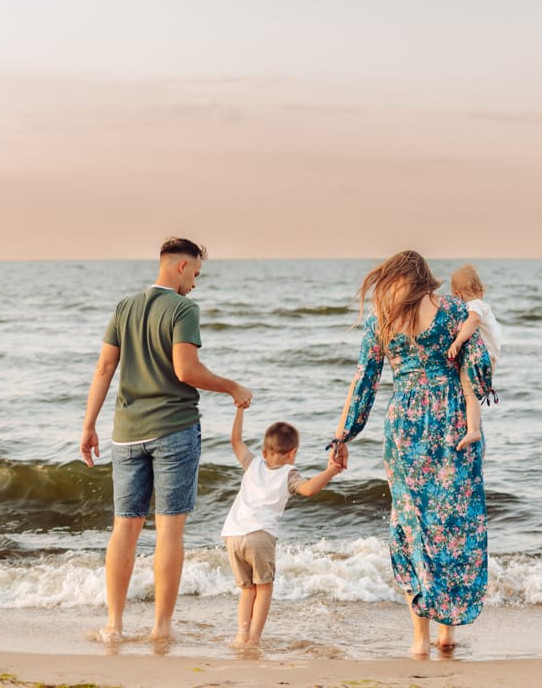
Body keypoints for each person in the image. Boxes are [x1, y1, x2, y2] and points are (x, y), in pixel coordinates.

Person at [79, 236, 253, 643]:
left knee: (124, 527)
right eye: (195, 272)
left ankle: (114, 626)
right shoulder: (183, 308)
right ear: (180, 266)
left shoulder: (125, 306)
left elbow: (104, 368)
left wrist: (88, 425)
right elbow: (186, 370)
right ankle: (160, 629)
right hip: (173, 430)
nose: (195, 282)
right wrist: (232, 387)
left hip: (125, 434)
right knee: (170, 532)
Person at [330, 249, 492, 658]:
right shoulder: (454, 310)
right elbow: (479, 365)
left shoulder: (383, 321)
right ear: (425, 277)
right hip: (453, 420)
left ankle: (421, 638)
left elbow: (364, 381)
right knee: (454, 523)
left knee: (412, 524)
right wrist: (478, 388)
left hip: (404, 424)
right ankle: (446, 632)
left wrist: (343, 434)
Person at [222, 413, 343, 648]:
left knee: (247, 590)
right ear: (293, 453)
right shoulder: (289, 473)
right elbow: (308, 489)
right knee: (264, 587)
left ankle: (241, 635)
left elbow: (236, 441)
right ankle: (254, 638)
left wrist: (239, 411)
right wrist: (331, 471)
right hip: (260, 535)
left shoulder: (252, 463)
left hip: (233, 534)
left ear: (265, 451)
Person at [447, 264, 503, 451]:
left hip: (482, 356)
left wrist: (457, 342)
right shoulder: (483, 305)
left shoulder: (474, 306)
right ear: (481, 291)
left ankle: (473, 429)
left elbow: (473, 321)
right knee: (472, 392)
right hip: (490, 356)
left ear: (457, 295)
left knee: (469, 393)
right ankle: (473, 427)